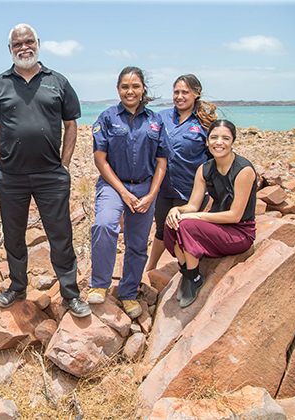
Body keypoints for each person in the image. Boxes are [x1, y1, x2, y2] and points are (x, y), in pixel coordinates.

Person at [0, 23, 91, 318]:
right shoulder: (0, 83)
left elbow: (71, 124)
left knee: (61, 235)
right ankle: (17, 286)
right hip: (11, 176)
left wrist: (65, 163)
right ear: (10, 49)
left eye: (28, 41)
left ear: (38, 43)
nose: (24, 47)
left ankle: (70, 293)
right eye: (17, 44)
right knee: (13, 235)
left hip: (51, 176)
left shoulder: (57, 81)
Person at [87, 66, 170, 319]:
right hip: (113, 185)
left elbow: (162, 163)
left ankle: (128, 292)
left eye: (135, 86)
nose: (130, 91)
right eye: (125, 86)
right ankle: (100, 284)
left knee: (137, 242)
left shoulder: (156, 121)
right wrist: (123, 192)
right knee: (104, 225)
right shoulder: (107, 117)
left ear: (143, 88)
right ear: (118, 89)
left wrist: (151, 195)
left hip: (146, 187)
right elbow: (100, 160)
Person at [164, 119, 257, 307]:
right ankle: (188, 272)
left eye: (225, 138)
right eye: (214, 137)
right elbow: (192, 206)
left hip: (239, 233)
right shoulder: (205, 168)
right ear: (207, 141)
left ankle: (194, 278)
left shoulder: (243, 170)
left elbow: (235, 216)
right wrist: (177, 210)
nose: (219, 142)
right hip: (216, 228)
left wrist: (195, 216)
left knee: (187, 225)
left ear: (233, 141)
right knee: (172, 223)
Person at [145, 74, 218, 272]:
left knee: (185, 233)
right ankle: (150, 268)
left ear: (196, 93)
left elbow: (214, 159)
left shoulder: (205, 123)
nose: (179, 96)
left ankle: (189, 273)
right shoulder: (162, 117)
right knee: (161, 231)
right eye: (176, 92)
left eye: (185, 92)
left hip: (191, 191)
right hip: (164, 188)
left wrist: (213, 192)